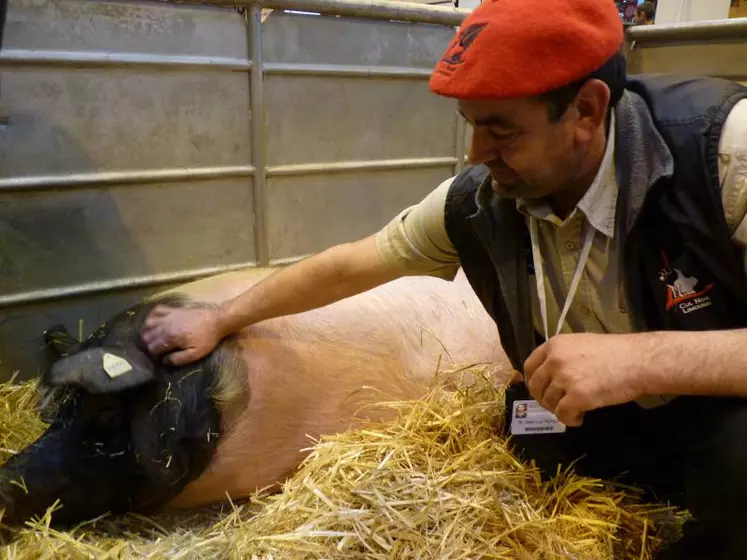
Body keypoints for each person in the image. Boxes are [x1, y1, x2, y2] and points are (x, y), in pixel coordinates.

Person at [141, 0, 747, 557]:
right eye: (469, 124)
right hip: (621, 413)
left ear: (585, 111)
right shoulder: (482, 199)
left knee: (736, 459)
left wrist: (638, 362)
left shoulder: (723, 152)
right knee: (526, 423)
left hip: (721, 403)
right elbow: (353, 264)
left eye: (501, 129)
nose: (474, 152)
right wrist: (221, 316)